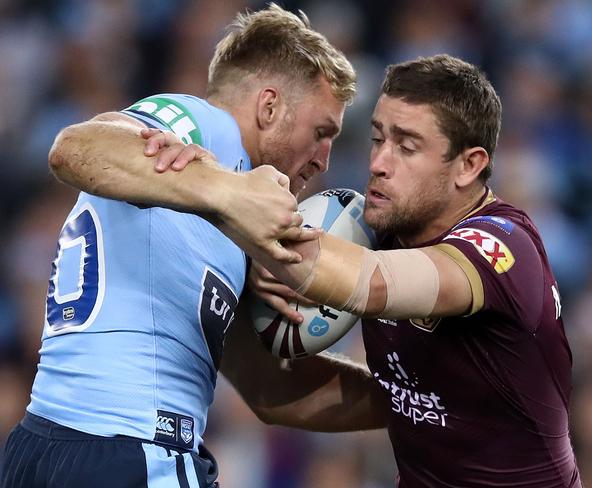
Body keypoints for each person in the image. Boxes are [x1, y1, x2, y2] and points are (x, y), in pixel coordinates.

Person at [139, 54, 584, 487]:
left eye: (407, 147)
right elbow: (274, 395)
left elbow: (372, 284)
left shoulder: (502, 247)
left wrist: (227, 212)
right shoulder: (372, 227)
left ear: (469, 165)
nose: (378, 164)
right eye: (377, 138)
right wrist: (236, 273)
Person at [0, 4, 355, 487]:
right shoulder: (203, 128)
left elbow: (272, 389)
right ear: (268, 107)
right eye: (321, 133)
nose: (324, 159)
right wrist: (225, 191)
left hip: (48, 448)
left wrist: (425, 407)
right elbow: (76, 149)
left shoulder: (221, 219)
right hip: (137, 450)